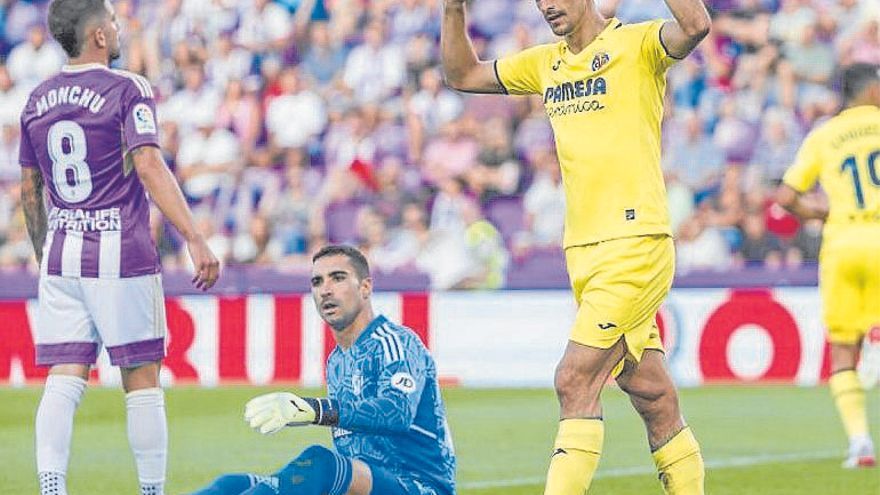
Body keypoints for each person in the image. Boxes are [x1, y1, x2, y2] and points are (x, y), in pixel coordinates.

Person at [441, 0, 710, 493]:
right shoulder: (545, 62)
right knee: (653, 394)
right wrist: (453, 10)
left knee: (574, 379)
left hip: (635, 243)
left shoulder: (637, 43)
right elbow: (463, 73)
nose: (546, 5)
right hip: (583, 252)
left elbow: (696, 25)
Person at [18, 1, 221, 495]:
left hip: (62, 254)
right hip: (120, 253)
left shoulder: (37, 98)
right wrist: (194, 237)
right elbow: (149, 165)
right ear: (99, 38)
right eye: (111, 19)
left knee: (63, 381)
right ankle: (151, 491)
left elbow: (29, 189)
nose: (117, 24)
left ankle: (51, 488)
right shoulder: (128, 87)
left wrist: (47, 251)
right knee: (142, 378)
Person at [190, 244, 456, 495]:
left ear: (365, 287)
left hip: (418, 486)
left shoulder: (395, 341)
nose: (325, 289)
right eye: (317, 282)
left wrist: (315, 410)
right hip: (366, 486)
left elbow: (396, 412)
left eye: (337, 278)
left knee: (322, 462)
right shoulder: (336, 361)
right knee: (232, 484)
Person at [776, 63, 880, 469]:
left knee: (841, 351)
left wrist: (814, 214)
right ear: (870, 91)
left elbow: (785, 196)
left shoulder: (825, 134)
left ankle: (860, 444)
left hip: (842, 242)